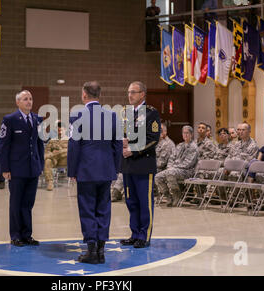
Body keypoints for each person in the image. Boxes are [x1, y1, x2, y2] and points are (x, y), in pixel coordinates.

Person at [68, 81, 122, 264]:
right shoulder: (112, 116)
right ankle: (101, 250)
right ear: (99, 95)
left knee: (87, 209)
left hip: (86, 169)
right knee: (104, 209)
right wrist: (115, 168)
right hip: (106, 169)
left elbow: (74, 146)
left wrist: (72, 170)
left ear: (84, 95)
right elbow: (117, 144)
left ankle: (91, 250)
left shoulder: (77, 115)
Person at [0, 90, 44, 247]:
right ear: (18, 102)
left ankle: (27, 234)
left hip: (33, 168)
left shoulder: (37, 119)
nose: (29, 102)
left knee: (28, 203)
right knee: (16, 202)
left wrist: (41, 164)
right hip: (16, 169)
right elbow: (4, 146)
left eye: (30, 99)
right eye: (25, 99)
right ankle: (16, 235)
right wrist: (4, 168)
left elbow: (39, 144)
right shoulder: (10, 120)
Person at [120, 81, 160, 249]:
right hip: (128, 165)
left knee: (145, 203)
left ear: (142, 94)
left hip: (143, 164)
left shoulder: (151, 113)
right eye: (129, 92)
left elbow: (153, 139)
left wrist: (134, 149)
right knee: (131, 202)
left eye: (134, 92)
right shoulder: (126, 112)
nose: (130, 95)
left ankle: (144, 235)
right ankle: (135, 233)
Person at [155, 125, 199, 207]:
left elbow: (188, 163)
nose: (185, 135)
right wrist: (169, 167)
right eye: (183, 133)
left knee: (170, 173)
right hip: (175, 170)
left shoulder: (193, 147)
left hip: (187, 171)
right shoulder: (179, 145)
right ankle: (168, 196)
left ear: (191, 134)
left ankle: (177, 195)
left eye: (187, 133)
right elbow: (171, 158)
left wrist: (174, 168)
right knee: (157, 177)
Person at [44, 121, 68, 191]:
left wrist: (57, 152)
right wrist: (52, 154)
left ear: (65, 130)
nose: (60, 132)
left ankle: (51, 156)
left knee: (66, 151)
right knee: (48, 161)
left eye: (61, 130)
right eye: (58, 130)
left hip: (65, 160)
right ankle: (50, 182)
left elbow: (71, 152)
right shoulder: (52, 140)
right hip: (55, 161)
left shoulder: (70, 140)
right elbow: (47, 151)